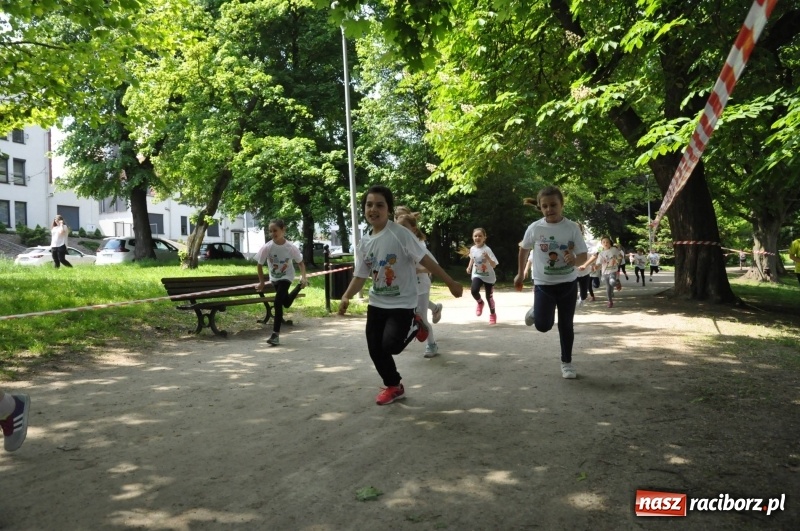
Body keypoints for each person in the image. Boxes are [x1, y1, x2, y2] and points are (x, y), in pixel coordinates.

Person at [338, 185, 463, 405]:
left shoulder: (400, 234)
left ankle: (416, 325)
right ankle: (394, 386)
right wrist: (346, 296)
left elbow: (425, 259)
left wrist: (450, 282)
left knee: (391, 346)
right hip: (377, 303)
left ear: (388, 209)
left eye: (379, 205)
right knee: (375, 349)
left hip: (402, 303)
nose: (373, 209)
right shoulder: (365, 242)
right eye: (369, 205)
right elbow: (360, 275)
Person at [514, 186, 588, 379]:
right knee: (543, 326)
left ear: (562, 205)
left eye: (553, 205)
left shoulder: (571, 228)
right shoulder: (535, 228)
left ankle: (567, 363)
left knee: (566, 324)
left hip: (568, 283)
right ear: (540, 207)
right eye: (545, 206)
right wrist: (520, 274)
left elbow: (583, 255)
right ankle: (536, 311)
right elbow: (523, 250)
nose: (549, 209)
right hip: (543, 284)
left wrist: (575, 260)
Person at [395, 207, 441, 358]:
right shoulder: (397, 246)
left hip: (421, 286)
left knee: (421, 317)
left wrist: (418, 270)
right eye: (398, 227)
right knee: (404, 316)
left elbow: (434, 265)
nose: (401, 230)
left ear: (413, 229)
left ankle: (432, 344)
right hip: (406, 288)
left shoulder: (419, 245)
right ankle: (435, 309)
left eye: (404, 227)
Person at [255, 219, 308, 346]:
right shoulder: (267, 247)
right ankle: (299, 287)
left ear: (283, 229)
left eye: (275, 230)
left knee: (277, 302)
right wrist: (261, 282)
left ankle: (275, 335)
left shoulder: (290, 247)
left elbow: (301, 263)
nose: (273, 233)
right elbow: (259, 265)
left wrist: (304, 277)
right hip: (274, 278)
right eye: (270, 231)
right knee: (286, 303)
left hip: (287, 276)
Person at [465, 228, 500, 325]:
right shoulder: (472, 249)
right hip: (477, 274)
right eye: (475, 236)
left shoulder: (487, 249)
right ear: (473, 237)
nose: (477, 238)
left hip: (488, 276)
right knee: (474, 290)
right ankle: (480, 302)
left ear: (484, 238)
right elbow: (472, 259)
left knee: (489, 297)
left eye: (480, 236)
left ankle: (493, 314)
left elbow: (494, 265)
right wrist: (469, 267)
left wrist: (488, 257)